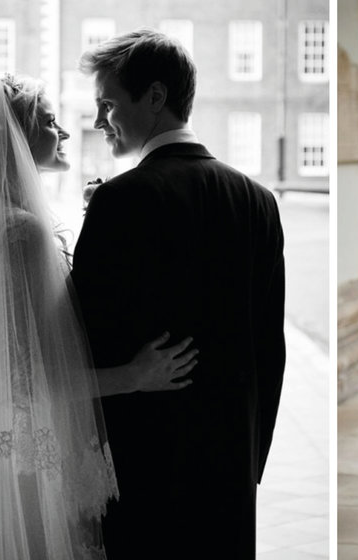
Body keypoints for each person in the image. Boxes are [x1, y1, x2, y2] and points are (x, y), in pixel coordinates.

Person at [0, 74, 198, 559]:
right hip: (35, 456)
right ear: (17, 138)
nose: (65, 132)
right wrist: (136, 375)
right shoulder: (20, 232)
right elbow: (30, 379)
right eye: (50, 122)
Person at [72, 29, 286, 557]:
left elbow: (79, 336)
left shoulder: (120, 201)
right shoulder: (260, 201)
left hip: (141, 466)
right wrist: (249, 459)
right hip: (232, 466)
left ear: (155, 97)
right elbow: (270, 348)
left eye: (107, 104)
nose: (99, 121)